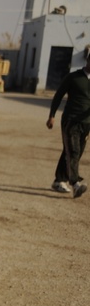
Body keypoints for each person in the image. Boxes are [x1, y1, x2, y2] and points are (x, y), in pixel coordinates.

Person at [46, 49, 90, 198]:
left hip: (87, 123)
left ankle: (59, 180)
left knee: (71, 152)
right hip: (71, 120)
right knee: (74, 151)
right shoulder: (73, 77)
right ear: (88, 61)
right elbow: (58, 96)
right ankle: (75, 184)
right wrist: (51, 115)